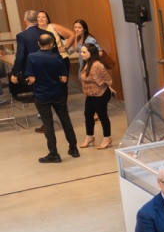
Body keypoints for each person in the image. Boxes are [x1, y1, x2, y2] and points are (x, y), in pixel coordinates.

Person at [24, 33, 79, 163]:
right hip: (58, 94)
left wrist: (33, 80)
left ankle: (54, 154)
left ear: (39, 44)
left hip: (41, 95)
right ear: (52, 45)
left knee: (48, 124)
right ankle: (74, 149)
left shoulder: (32, 57)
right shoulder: (58, 58)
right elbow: (64, 78)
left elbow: (32, 78)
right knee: (66, 121)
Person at [9, 10, 45, 134]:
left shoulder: (22, 36)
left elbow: (20, 56)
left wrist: (15, 73)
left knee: (38, 95)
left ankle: (46, 122)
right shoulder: (46, 33)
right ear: (37, 20)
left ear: (25, 20)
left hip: (32, 71)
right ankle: (49, 120)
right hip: (48, 68)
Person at [78, 43, 114, 149]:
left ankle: (107, 138)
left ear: (91, 53)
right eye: (81, 52)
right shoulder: (86, 63)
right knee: (88, 115)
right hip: (90, 94)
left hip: (100, 94)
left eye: (84, 52)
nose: (81, 54)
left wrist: (100, 82)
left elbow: (108, 80)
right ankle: (89, 137)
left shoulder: (97, 65)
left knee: (102, 116)